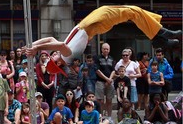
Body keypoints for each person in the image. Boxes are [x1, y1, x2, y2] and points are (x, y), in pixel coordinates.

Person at [24, 5, 181, 74]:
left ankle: (158, 35)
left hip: (92, 21)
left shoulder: (63, 54)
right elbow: (57, 44)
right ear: (58, 62)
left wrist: (30, 45)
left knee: (134, 11)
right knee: (132, 12)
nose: (52, 55)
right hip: (95, 23)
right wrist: (36, 49)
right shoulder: (67, 55)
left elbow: (51, 38)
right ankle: (159, 35)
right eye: (52, 57)